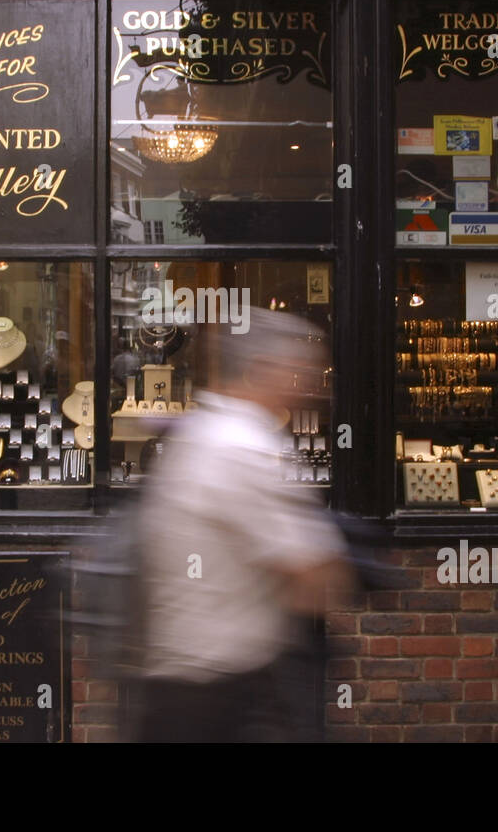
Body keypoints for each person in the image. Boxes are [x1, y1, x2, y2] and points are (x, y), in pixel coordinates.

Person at [126, 307, 352, 742]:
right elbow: (317, 578)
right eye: (296, 370)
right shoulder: (245, 447)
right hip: (220, 690)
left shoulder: (199, 432)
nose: (306, 383)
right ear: (260, 370)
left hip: (185, 681)